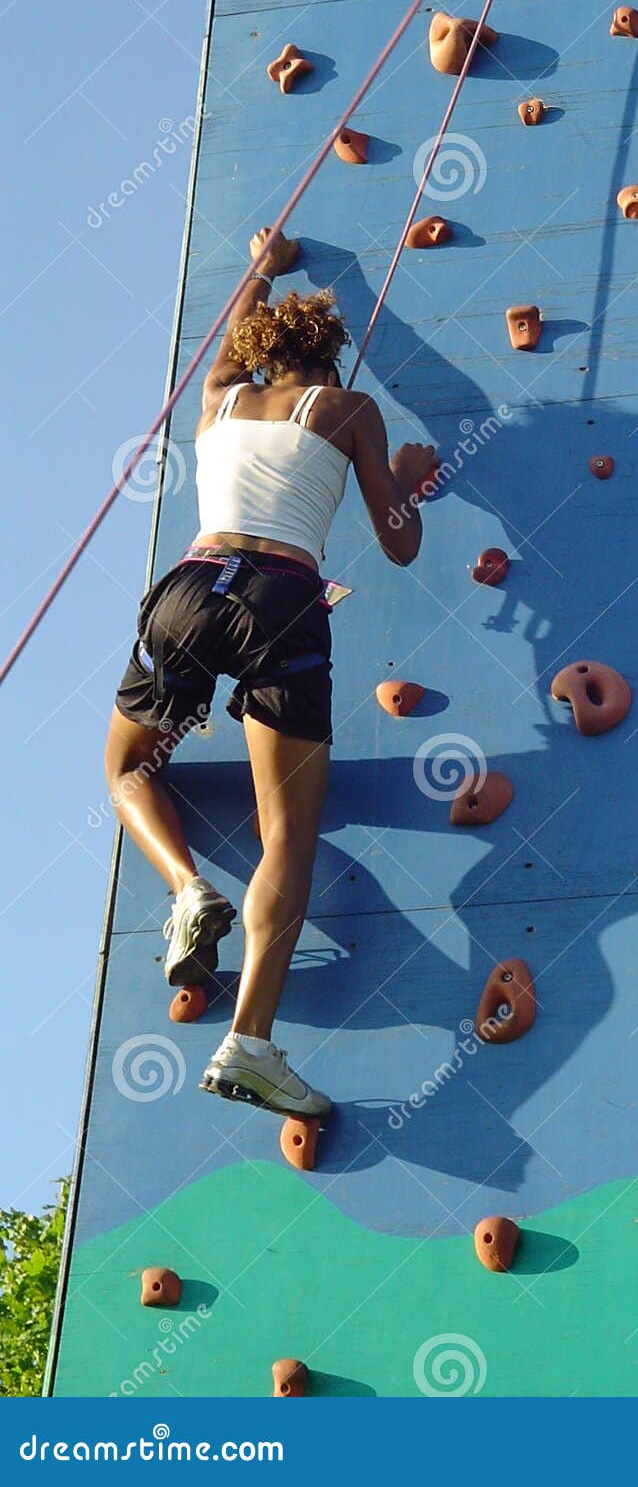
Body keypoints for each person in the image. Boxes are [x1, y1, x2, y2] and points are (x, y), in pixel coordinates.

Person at [104, 228, 434, 1118]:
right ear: (327, 357)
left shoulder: (217, 399)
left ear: (258, 353)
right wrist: (407, 476)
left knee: (128, 770)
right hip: (284, 602)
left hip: (192, 587)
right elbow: (397, 545)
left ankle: (188, 888)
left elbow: (227, 338)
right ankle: (250, 1042)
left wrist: (261, 267)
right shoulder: (351, 410)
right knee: (286, 835)